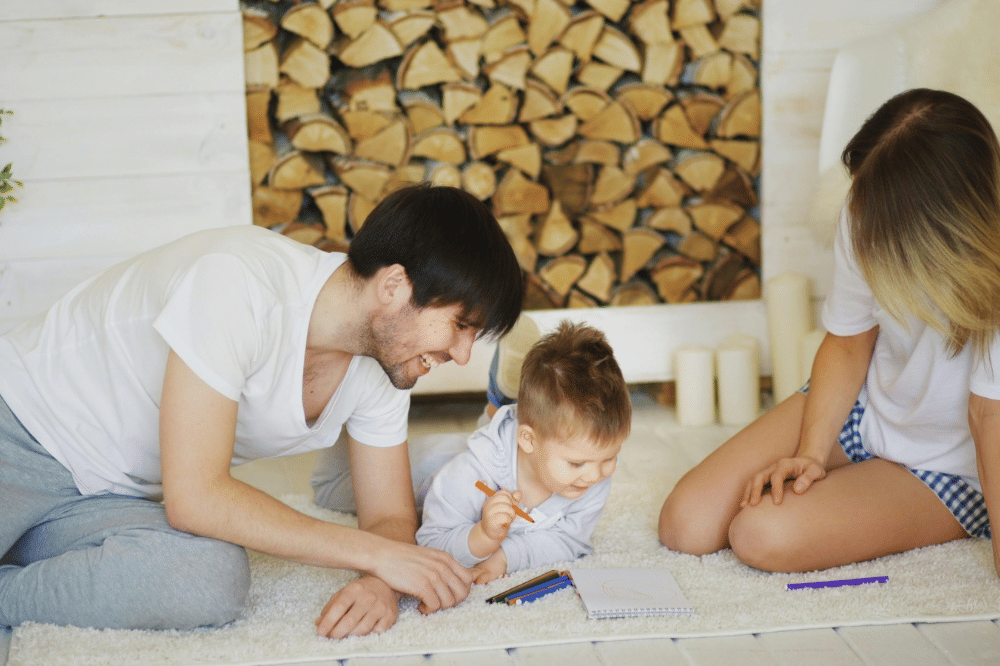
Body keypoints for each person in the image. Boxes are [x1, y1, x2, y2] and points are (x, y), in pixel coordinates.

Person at [0, 184, 524, 639]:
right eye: (461, 325)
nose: (462, 355)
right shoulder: (237, 281)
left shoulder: (385, 362)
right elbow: (196, 496)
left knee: (209, 577)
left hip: (108, 498)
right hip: (18, 436)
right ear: (394, 287)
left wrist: (380, 582)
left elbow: (388, 515)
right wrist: (376, 555)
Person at [659, 88, 1000, 576]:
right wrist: (811, 454)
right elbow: (848, 340)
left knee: (759, 534)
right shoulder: (868, 208)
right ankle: (858, 474)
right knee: (685, 523)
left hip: (955, 465)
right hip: (869, 408)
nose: (859, 216)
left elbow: (989, 416)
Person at [414, 320, 632, 584]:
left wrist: (505, 556)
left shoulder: (590, 471)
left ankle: (504, 399)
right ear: (528, 439)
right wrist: (482, 537)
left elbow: (570, 540)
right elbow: (430, 544)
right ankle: (500, 399)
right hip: (416, 466)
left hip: (517, 446)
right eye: (576, 463)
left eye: (610, 457)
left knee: (516, 426)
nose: (595, 476)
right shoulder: (468, 473)